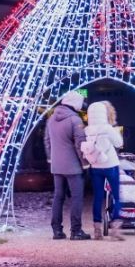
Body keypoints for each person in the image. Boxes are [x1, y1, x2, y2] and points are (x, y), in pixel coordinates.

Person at [44, 90, 90, 240]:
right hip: (73, 167)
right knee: (76, 197)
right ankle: (76, 231)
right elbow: (80, 144)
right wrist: (86, 164)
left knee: (58, 197)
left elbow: (47, 141)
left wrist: (51, 159)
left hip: (57, 166)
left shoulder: (51, 119)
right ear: (75, 103)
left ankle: (57, 230)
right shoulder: (75, 120)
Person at [81, 100, 124, 240]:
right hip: (110, 164)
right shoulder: (107, 128)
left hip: (95, 166)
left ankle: (97, 229)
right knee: (116, 195)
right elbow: (119, 143)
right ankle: (115, 228)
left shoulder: (86, 130)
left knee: (98, 197)